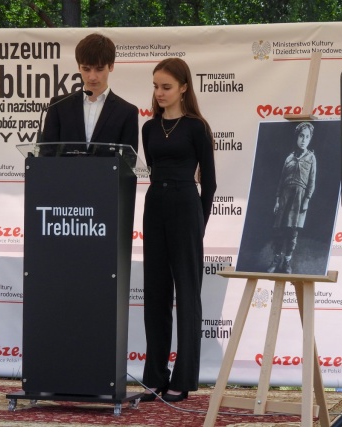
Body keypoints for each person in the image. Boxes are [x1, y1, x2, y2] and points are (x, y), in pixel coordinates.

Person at [140, 58, 217, 403]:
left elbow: (210, 184)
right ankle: (155, 376)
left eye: (166, 87)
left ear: (184, 88)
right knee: (155, 292)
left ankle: (183, 378)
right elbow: (153, 169)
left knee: (187, 294)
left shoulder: (197, 127)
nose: (159, 93)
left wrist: (200, 225)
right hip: (154, 206)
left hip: (187, 208)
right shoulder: (148, 128)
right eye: (156, 86)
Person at [40, 33, 139, 155]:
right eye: (86, 69)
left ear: (111, 66)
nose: (92, 77)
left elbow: (128, 161)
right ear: (78, 67)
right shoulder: (59, 106)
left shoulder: (127, 112)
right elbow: (46, 154)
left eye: (99, 69)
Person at [266, 121, 316, 274]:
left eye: (307, 137)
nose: (303, 139)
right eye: (301, 136)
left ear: (310, 139)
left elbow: (312, 181)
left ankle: (287, 261)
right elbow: (281, 181)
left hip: (299, 199)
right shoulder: (289, 158)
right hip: (285, 197)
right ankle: (276, 259)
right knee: (279, 230)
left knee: (292, 232)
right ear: (297, 137)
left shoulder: (311, 158)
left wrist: (307, 200)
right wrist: (277, 200)